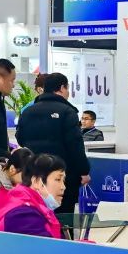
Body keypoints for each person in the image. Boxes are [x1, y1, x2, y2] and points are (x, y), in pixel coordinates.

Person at [16, 72, 91, 216]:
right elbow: (75, 145)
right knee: (63, 218)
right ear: (62, 88)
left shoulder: (28, 111)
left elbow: (20, 138)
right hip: (63, 175)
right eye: (67, 88)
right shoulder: (67, 112)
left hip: (34, 174)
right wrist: (84, 170)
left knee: (36, 214)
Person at [0, 154, 66, 239]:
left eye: (63, 181)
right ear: (36, 181)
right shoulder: (22, 215)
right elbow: (47, 246)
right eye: (58, 179)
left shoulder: (36, 209)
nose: (63, 187)